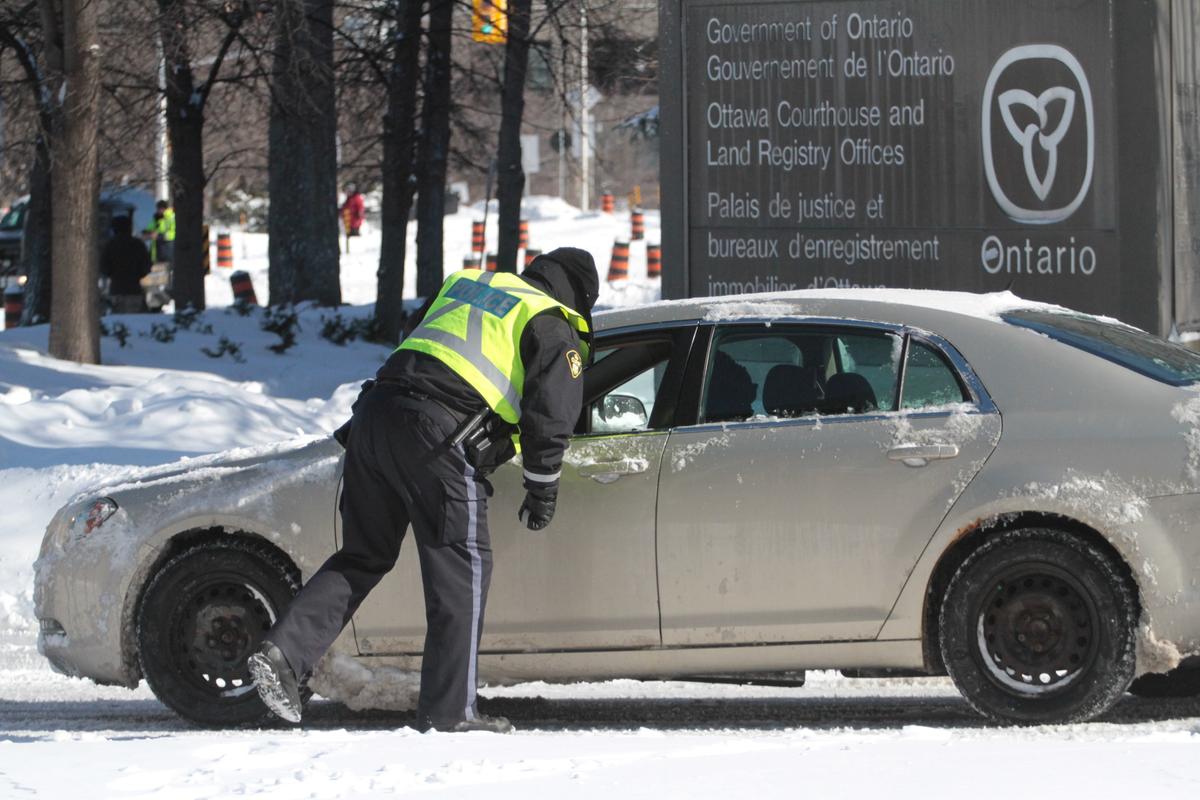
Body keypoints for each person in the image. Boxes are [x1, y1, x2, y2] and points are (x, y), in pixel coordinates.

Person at [248, 247, 599, 733]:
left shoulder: (468, 285)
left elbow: (418, 345)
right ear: (579, 297)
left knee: (363, 554)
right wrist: (542, 489)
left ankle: (284, 653)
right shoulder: (551, 322)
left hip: (374, 418)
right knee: (463, 569)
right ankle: (450, 712)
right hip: (438, 438)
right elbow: (552, 415)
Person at [101, 215, 152, 313]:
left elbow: (104, 267)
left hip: (116, 289)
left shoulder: (110, 245)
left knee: (118, 321)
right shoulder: (138, 244)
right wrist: (138, 275)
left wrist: (113, 274)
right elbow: (146, 266)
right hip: (134, 289)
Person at [143, 199, 176, 265]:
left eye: (160, 209)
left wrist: (160, 236)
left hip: (168, 251)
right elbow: (150, 227)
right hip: (157, 251)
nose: (158, 211)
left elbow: (174, 233)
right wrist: (147, 232)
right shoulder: (156, 217)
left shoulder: (171, 217)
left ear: (164, 209)